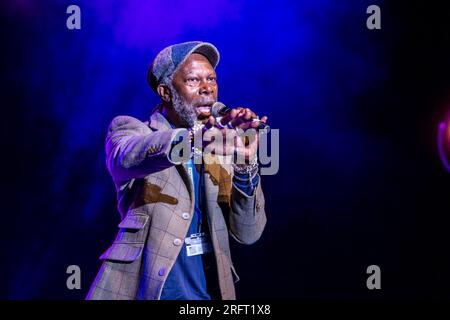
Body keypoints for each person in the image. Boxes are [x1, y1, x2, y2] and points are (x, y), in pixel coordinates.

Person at [86, 41, 267, 300]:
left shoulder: (222, 145)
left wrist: (245, 165)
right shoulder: (132, 130)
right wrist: (195, 139)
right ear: (165, 91)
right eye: (194, 80)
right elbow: (126, 156)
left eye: (212, 79)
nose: (208, 88)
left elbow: (248, 233)